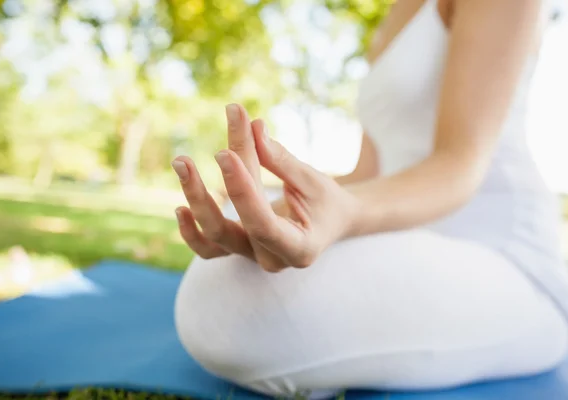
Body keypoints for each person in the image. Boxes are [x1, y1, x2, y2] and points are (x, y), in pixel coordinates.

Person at [171, 0, 568, 398]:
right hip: (408, 238)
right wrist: (275, 200)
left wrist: (346, 213)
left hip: (505, 260)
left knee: (221, 304)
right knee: (237, 255)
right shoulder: (395, 14)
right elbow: (367, 175)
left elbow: (457, 165)